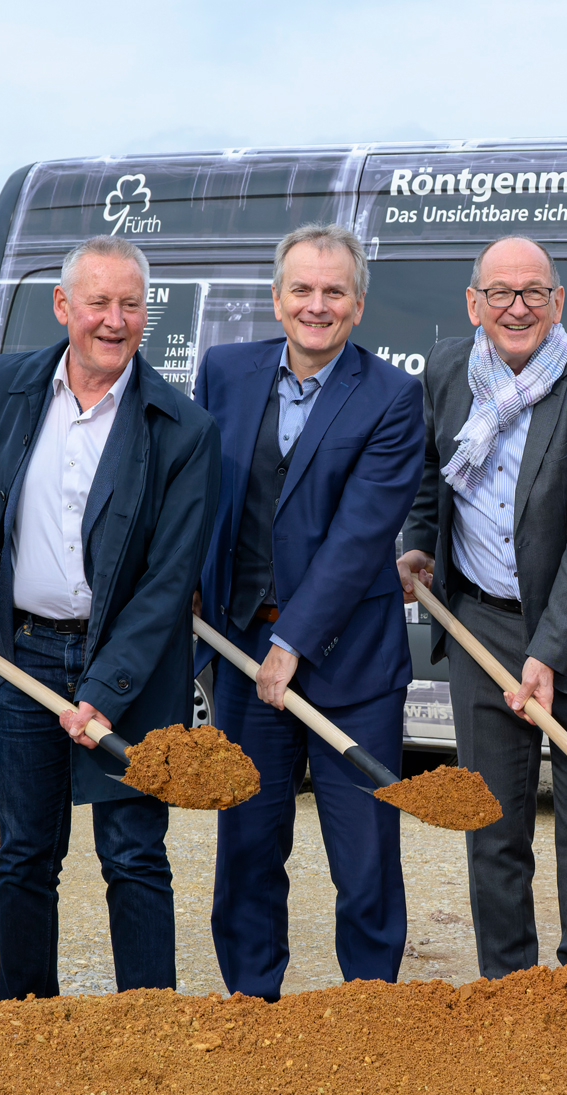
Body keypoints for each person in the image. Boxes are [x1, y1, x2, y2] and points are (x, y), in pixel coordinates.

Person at [0, 235, 218, 1002]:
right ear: (62, 305)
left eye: (131, 304)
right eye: (98, 302)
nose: (114, 320)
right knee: (24, 853)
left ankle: (146, 1025)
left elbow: (169, 582)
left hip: (132, 671)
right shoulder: (4, 388)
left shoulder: (181, 428)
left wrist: (105, 690)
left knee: (134, 853)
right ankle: (25, 1024)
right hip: (22, 658)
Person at [397, 235, 567, 979]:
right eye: (501, 293)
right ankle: (507, 984)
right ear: (473, 303)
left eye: (534, 292)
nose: (518, 307)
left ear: (558, 302)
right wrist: (420, 543)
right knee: (493, 819)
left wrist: (546, 652)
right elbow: (431, 471)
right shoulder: (446, 372)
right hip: (481, 623)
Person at [195, 224, 425, 999]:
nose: (316, 305)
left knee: (364, 856)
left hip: (350, 664)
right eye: (302, 289)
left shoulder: (392, 396)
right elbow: (200, 494)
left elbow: (361, 535)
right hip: (241, 651)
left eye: (333, 292)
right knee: (247, 847)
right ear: (276, 298)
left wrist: (293, 640)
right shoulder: (225, 373)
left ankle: (368, 1004)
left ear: (357, 305)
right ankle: (251, 1000)